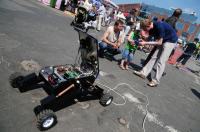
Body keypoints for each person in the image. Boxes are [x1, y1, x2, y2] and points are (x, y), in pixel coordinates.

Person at [133, 19, 178, 87]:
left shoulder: (159, 26)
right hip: (163, 39)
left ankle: (155, 81)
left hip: (171, 40)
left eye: (145, 29)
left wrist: (145, 43)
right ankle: (143, 73)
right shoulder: (150, 28)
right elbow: (148, 38)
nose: (145, 31)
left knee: (161, 61)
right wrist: (141, 40)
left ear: (148, 26)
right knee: (154, 57)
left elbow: (159, 42)